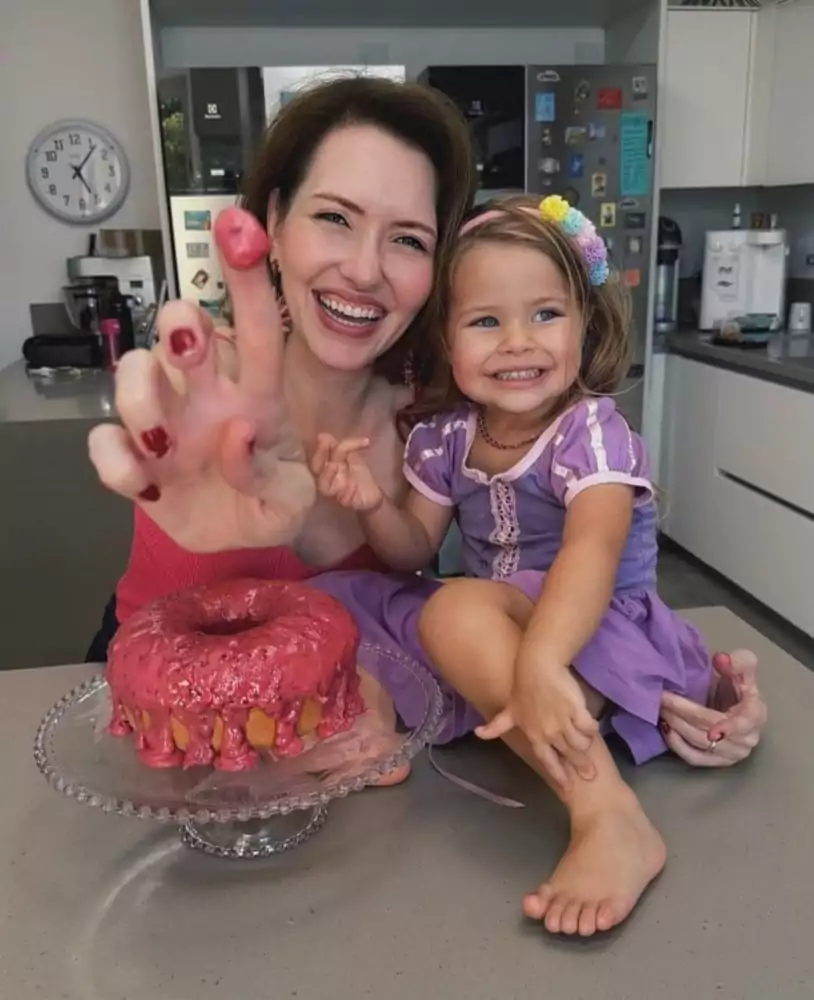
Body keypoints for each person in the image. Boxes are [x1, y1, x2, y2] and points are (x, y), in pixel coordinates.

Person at [86, 79, 765, 817]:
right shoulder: (206, 387)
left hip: (348, 777)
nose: (367, 269)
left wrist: (686, 687)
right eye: (334, 218)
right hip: (165, 739)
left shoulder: (440, 410)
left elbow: (531, 589)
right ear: (275, 223)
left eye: (407, 238)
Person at [309, 193, 762, 935]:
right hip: (497, 620)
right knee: (340, 598)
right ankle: (379, 723)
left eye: (546, 314)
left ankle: (608, 815)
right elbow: (412, 552)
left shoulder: (593, 431)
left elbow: (592, 550)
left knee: (455, 611)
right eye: (486, 321)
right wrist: (369, 503)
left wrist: (541, 663)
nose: (519, 341)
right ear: (447, 340)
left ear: (585, 322)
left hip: (595, 634)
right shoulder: (446, 438)